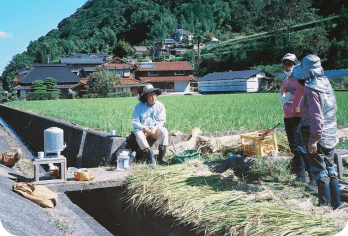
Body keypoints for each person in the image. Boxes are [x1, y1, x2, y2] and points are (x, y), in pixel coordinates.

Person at [292, 54, 342, 209]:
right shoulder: (326, 83)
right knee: (331, 170)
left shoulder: (312, 89)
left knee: (319, 172)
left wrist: (313, 138)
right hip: (330, 131)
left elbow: (316, 116)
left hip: (317, 134)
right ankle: (337, 205)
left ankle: (324, 207)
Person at [132, 83, 168, 166]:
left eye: (155, 95)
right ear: (146, 97)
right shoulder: (138, 107)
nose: (153, 97)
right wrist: (144, 128)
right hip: (143, 130)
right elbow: (135, 121)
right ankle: (150, 157)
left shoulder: (160, 106)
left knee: (164, 131)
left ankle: (162, 157)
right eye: (151, 96)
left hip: (154, 130)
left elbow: (162, 121)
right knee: (138, 134)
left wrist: (155, 128)